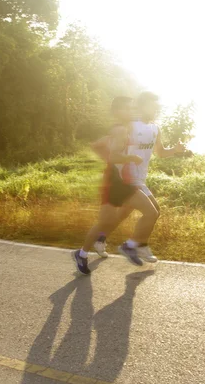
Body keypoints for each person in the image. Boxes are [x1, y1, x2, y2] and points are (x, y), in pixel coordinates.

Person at [91, 92, 187, 263]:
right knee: (153, 211)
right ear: (142, 106)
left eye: (157, 107)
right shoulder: (130, 126)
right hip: (127, 177)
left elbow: (161, 152)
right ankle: (135, 245)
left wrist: (176, 150)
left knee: (122, 214)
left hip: (140, 178)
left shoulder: (155, 128)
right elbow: (103, 144)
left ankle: (101, 240)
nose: (156, 110)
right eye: (152, 106)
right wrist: (114, 164)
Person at [73, 95, 162, 274]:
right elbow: (114, 155)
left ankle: (122, 245)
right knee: (106, 222)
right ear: (117, 112)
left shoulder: (127, 128)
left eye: (131, 108)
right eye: (126, 108)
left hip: (124, 180)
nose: (131, 111)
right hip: (115, 182)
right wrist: (128, 158)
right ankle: (82, 254)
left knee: (145, 213)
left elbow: (97, 146)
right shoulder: (120, 130)